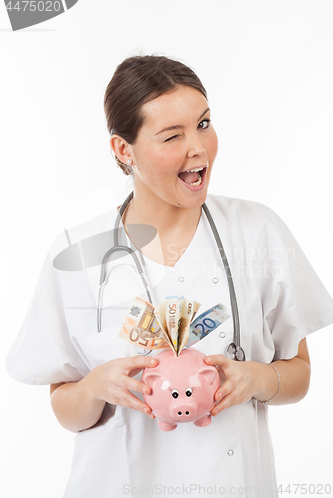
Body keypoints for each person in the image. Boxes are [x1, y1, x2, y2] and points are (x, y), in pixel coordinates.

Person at [6, 55, 333, 498]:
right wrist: (97, 385)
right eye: (171, 136)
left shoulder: (257, 231)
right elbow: (65, 409)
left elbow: (299, 375)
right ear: (124, 150)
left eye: (203, 123)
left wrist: (255, 378)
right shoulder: (78, 254)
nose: (197, 147)